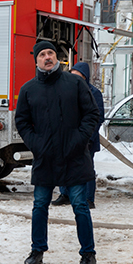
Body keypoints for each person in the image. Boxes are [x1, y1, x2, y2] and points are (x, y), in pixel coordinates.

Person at [15, 41, 101, 264]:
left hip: (74, 156)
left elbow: (92, 114)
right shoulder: (28, 89)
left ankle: (88, 254)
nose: (47, 57)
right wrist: (36, 143)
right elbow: (21, 121)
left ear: (57, 57)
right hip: (45, 158)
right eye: (42, 54)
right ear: (36, 61)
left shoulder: (74, 83)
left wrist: (79, 139)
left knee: (80, 206)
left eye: (50, 53)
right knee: (40, 206)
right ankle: (37, 250)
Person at [51, 62, 105, 209]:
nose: (74, 78)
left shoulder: (94, 93)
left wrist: (88, 136)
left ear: (85, 77)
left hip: (87, 138)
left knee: (86, 168)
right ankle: (65, 194)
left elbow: (98, 117)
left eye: (78, 76)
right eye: (72, 75)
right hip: (67, 137)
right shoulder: (65, 91)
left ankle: (88, 198)